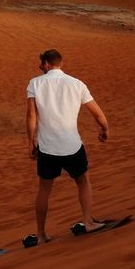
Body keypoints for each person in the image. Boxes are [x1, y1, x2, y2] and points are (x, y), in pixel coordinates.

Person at [25, 48, 110, 242]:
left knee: (44, 189)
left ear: (47, 63)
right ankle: (88, 222)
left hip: (47, 147)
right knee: (83, 182)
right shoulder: (77, 84)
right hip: (72, 144)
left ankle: (40, 234)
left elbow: (31, 116)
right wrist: (104, 128)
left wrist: (30, 142)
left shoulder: (35, 83)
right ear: (60, 63)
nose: (40, 67)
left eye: (41, 64)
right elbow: (96, 112)